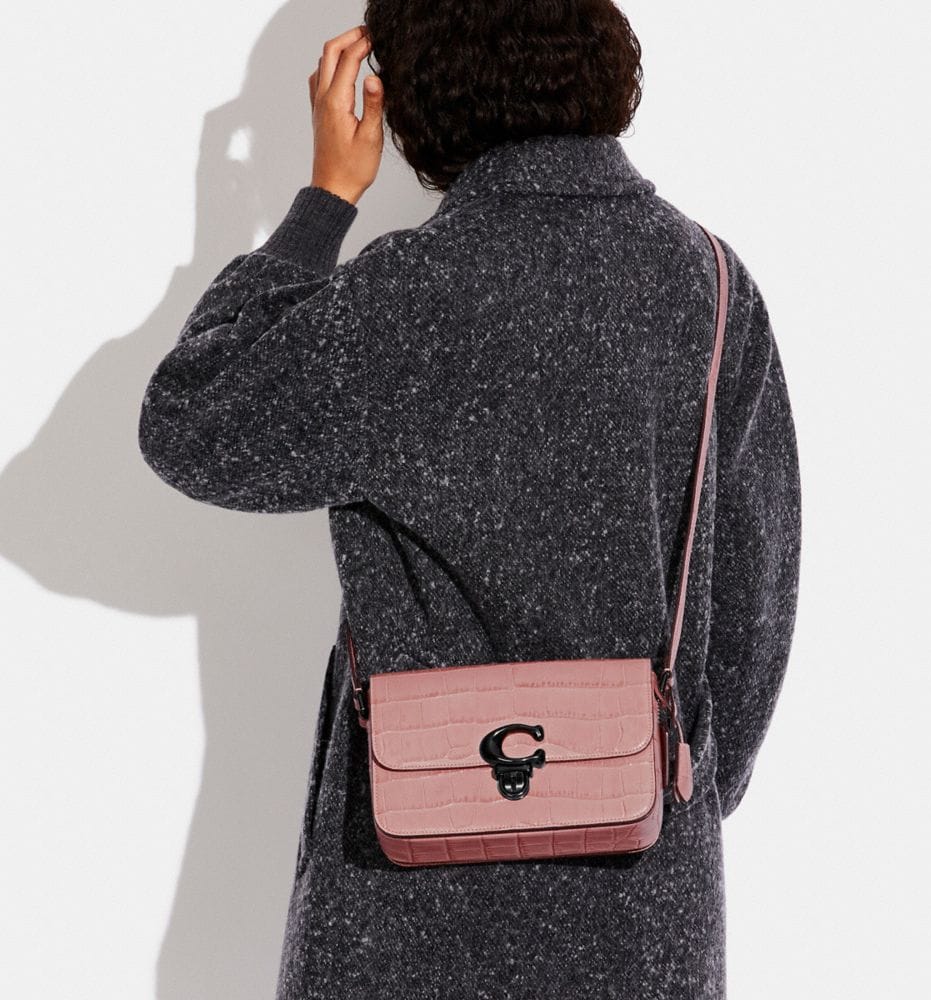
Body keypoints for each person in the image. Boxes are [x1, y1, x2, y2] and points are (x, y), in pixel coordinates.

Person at [137, 3, 801, 997]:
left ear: (413, 90)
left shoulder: (401, 296)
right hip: (642, 913)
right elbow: (754, 604)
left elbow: (192, 423)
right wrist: (671, 794)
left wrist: (324, 198)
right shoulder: (708, 285)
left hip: (408, 897)